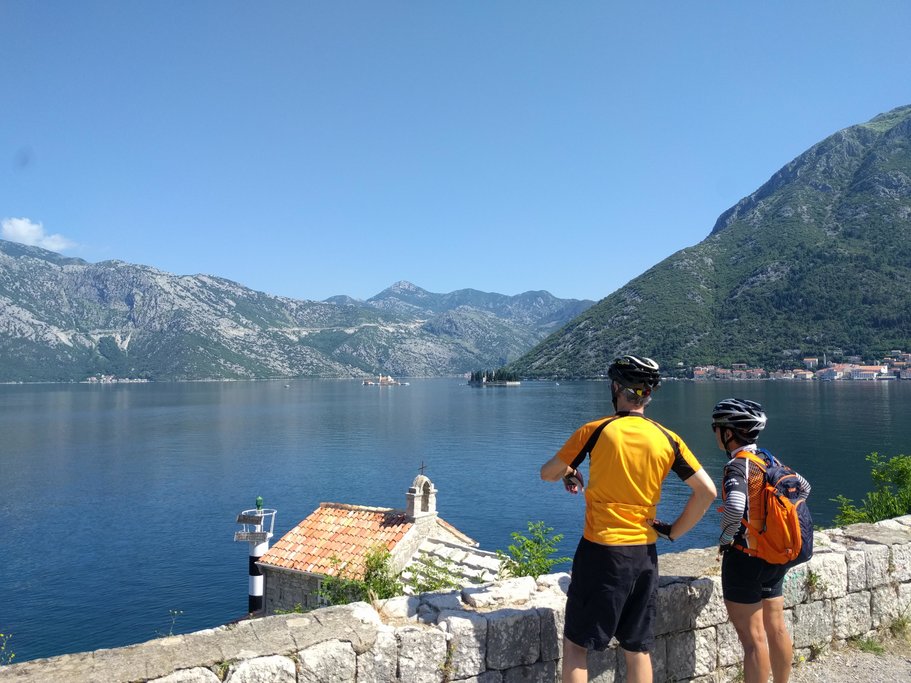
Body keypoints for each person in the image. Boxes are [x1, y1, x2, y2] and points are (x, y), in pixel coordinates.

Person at [540, 355, 717, 683]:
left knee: (577, 645)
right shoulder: (668, 438)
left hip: (601, 551)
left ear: (615, 388)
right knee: (637, 648)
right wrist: (674, 531)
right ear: (648, 395)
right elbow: (707, 491)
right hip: (644, 556)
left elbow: (547, 473)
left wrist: (568, 471)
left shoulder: (596, 430)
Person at [713, 398, 811, 683]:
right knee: (776, 627)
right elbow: (804, 487)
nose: (714, 432)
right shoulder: (770, 460)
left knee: (753, 639)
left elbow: (734, 506)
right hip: (775, 556)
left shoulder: (738, 466)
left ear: (728, 433)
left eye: (715, 427)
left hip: (746, 559)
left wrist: (725, 538)